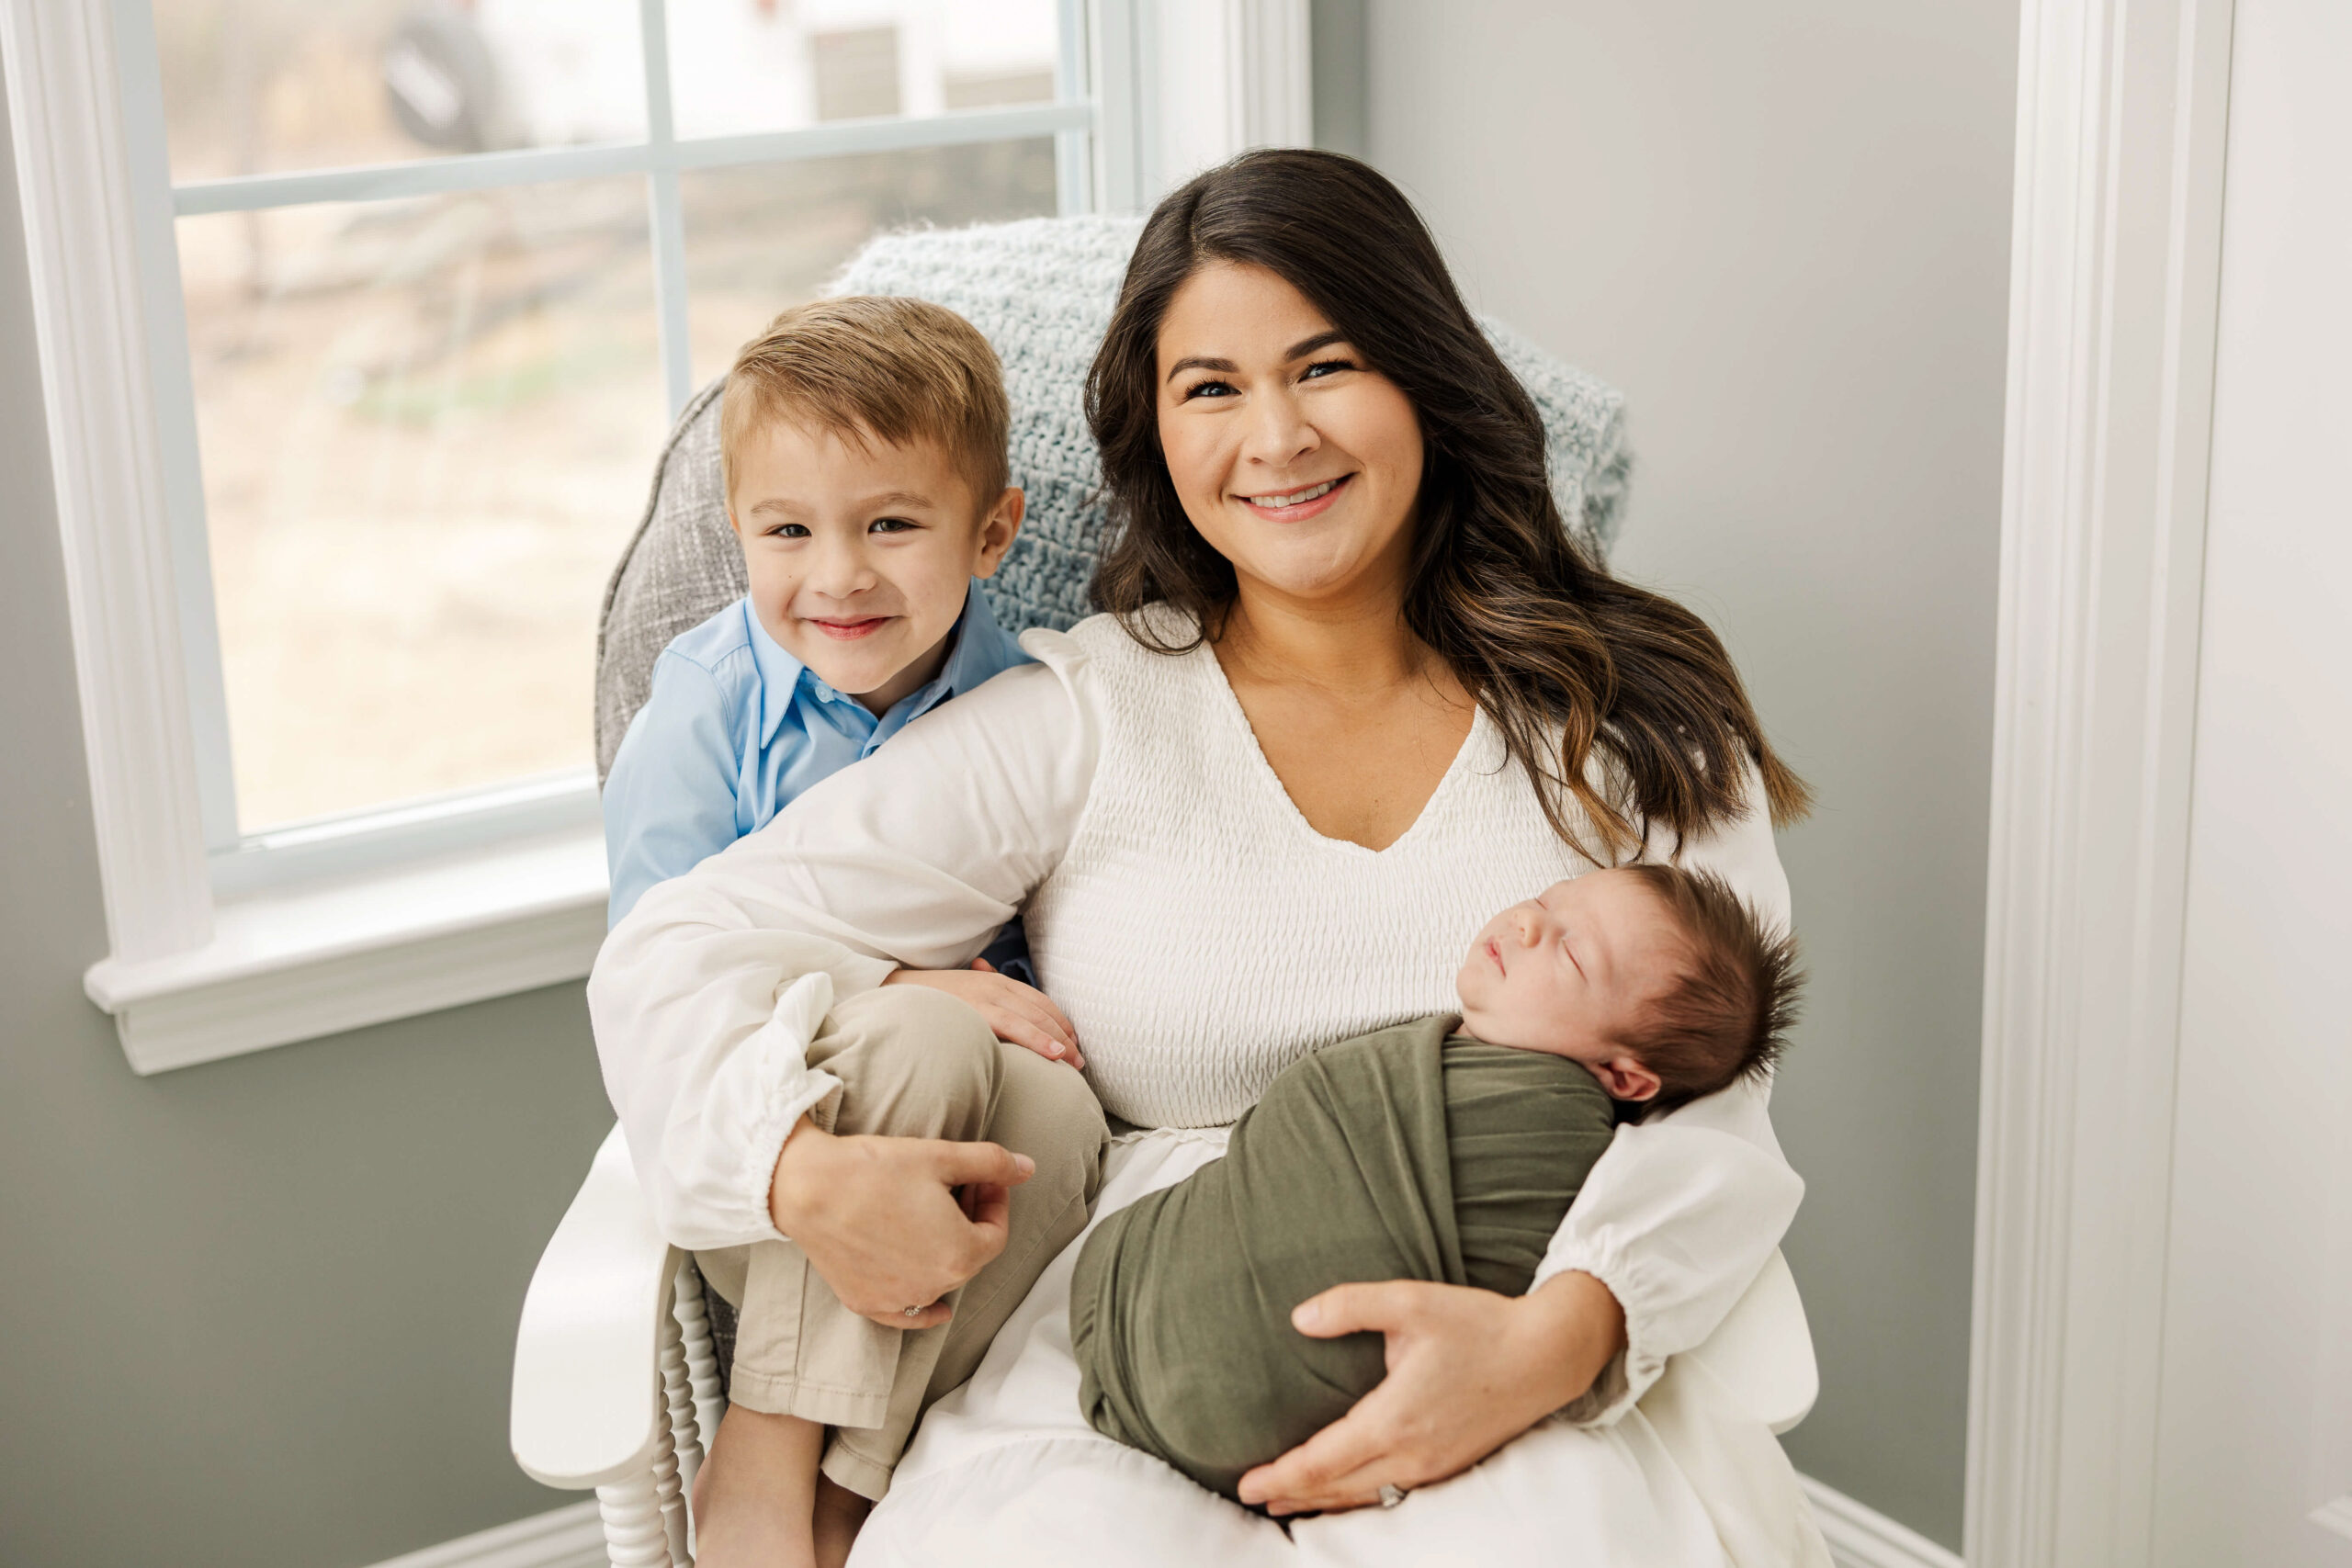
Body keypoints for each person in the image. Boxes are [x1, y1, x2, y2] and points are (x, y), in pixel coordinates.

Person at [592, 147, 1822, 1567]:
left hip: (1509, 1309)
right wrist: (793, 1170)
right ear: (1156, 436)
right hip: (1127, 1338)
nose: (1278, 436)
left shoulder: (1632, 714)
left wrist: (1566, 1335)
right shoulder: (1082, 710)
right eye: (1212, 388)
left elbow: (1721, 1110)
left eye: (1328, 363)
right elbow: (683, 943)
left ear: (1427, 374)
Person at [598, 296, 1110, 1566]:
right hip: (772, 1164)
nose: (838, 575)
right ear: (740, 532)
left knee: (1061, 1118)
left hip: (971, 1177)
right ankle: (771, 1453)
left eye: (890, 522)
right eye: (789, 530)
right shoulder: (708, 704)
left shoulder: (1032, 705)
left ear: (992, 532)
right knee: (928, 1037)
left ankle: (846, 1491)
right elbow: (661, 958)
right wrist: (900, 973)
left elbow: (1053, 977)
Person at [1069, 865, 1803, 1502]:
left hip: (1207, 1356)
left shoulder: (1560, 1136)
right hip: (1166, 1323)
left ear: (1624, 1076)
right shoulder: (1454, 1056)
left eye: (1572, 950)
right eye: (1546, 902)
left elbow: (1709, 1171)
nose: (1527, 922)